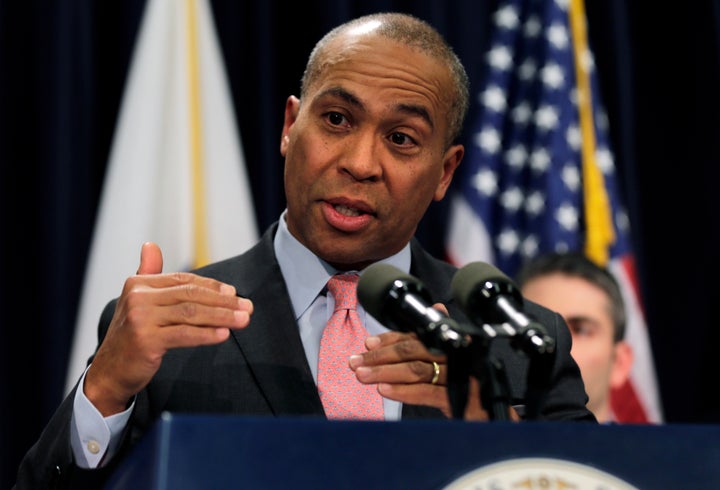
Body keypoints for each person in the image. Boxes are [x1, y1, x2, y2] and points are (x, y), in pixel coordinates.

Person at [14, 12, 595, 489]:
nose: (360, 163)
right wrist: (106, 390)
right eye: (337, 119)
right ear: (291, 125)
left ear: (445, 172)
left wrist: (485, 427)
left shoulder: (520, 345)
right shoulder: (164, 332)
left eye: (401, 139)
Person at [515, 252, 633, 424]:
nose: (555, 342)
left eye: (581, 330)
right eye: (537, 327)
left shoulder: (656, 451)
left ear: (619, 363)